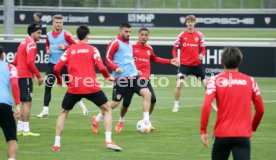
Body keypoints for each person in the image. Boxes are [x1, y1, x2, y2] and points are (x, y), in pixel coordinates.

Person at [52, 25, 122, 151]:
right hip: (91, 86)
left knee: (63, 112)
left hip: (74, 87)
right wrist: (107, 77)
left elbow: (56, 68)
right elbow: (101, 67)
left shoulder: (70, 50)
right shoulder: (93, 49)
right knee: (107, 110)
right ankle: (108, 141)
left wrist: (59, 80)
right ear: (87, 35)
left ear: (77, 36)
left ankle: (56, 144)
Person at [200, 47, 264, 160]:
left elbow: (206, 106)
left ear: (222, 61)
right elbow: (260, 109)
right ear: (240, 61)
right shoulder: (250, 81)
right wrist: (252, 127)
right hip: (243, 135)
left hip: (221, 134)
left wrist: (203, 130)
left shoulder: (215, 80)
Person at [114, 27, 179, 133]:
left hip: (144, 80)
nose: (144, 37)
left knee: (153, 100)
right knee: (126, 104)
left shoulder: (149, 49)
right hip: (132, 79)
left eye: (146, 35)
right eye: (142, 35)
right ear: (138, 35)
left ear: (148, 37)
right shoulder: (131, 47)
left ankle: (146, 121)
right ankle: (121, 120)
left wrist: (170, 61)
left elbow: (155, 58)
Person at [92, 23, 152, 134]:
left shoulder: (129, 44)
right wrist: (116, 68)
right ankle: (96, 119)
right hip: (121, 79)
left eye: (130, 32)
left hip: (133, 77)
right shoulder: (115, 43)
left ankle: (146, 121)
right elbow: (107, 58)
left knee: (147, 93)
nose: (128, 34)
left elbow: (130, 60)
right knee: (114, 103)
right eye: (126, 32)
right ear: (120, 31)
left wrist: (135, 70)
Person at [37, 14, 88, 118]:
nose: (58, 24)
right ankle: (45, 110)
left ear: (62, 23)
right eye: (56, 22)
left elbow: (75, 45)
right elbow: (47, 44)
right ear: (53, 23)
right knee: (48, 87)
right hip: (52, 64)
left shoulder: (66, 34)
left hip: (64, 65)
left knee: (72, 87)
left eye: (60, 22)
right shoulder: (48, 35)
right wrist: (47, 49)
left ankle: (82, 106)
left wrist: (65, 46)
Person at [171, 15, 216, 112]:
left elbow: (203, 49)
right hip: (184, 66)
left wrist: (202, 55)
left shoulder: (199, 35)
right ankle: (176, 104)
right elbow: (174, 48)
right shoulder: (182, 35)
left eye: (192, 21)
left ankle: (211, 103)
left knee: (207, 84)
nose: (190, 23)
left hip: (196, 65)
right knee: (180, 83)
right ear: (186, 23)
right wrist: (175, 58)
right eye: (188, 21)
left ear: (194, 23)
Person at [13, 22, 44, 136]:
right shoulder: (32, 44)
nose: (40, 35)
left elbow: (15, 61)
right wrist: (39, 75)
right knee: (27, 102)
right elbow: (30, 62)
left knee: (22, 102)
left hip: (19, 75)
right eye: (38, 33)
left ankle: (20, 128)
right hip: (25, 76)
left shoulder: (23, 42)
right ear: (32, 33)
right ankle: (26, 130)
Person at [0, 46, 21, 160]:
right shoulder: (10, 67)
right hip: (5, 106)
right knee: (11, 138)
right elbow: (14, 84)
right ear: (3, 56)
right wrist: (17, 104)